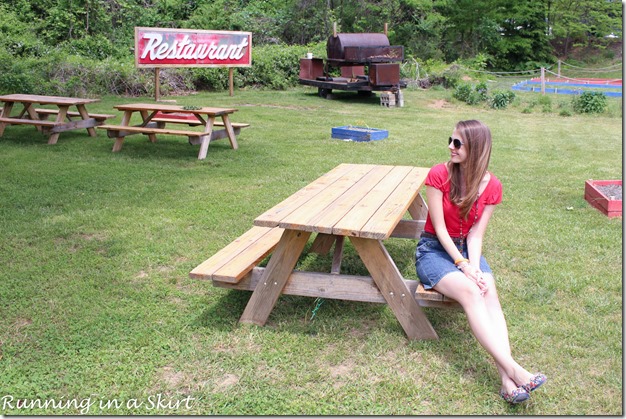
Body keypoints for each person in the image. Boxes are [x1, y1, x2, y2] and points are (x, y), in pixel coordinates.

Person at [415, 120, 546, 404]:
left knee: (488, 290)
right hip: (433, 250)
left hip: (466, 250)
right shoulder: (439, 174)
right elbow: (438, 229)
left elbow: (475, 235)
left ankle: (507, 383)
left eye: (458, 143)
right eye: (450, 140)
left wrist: (474, 267)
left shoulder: (492, 186)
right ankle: (513, 369)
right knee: (472, 291)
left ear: (476, 149)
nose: (450, 147)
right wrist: (464, 266)